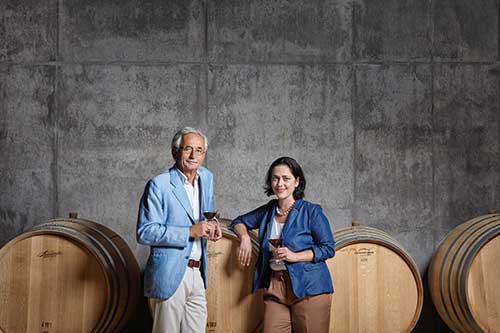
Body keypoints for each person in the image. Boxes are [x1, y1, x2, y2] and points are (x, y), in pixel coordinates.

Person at [230, 156, 335, 333]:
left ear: (297, 182)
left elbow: (328, 248)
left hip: (310, 287)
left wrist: (295, 256)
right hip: (276, 287)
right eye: (275, 178)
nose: (280, 183)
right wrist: (245, 238)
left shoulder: (311, 211)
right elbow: (239, 222)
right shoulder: (269, 210)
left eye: (286, 178)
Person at [137, 126, 222, 333]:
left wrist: (213, 227)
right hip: (170, 272)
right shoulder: (159, 184)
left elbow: (206, 214)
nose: (194, 155)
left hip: (198, 272)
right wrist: (189, 232)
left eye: (199, 150)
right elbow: (145, 231)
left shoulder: (206, 178)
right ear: (175, 152)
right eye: (188, 149)